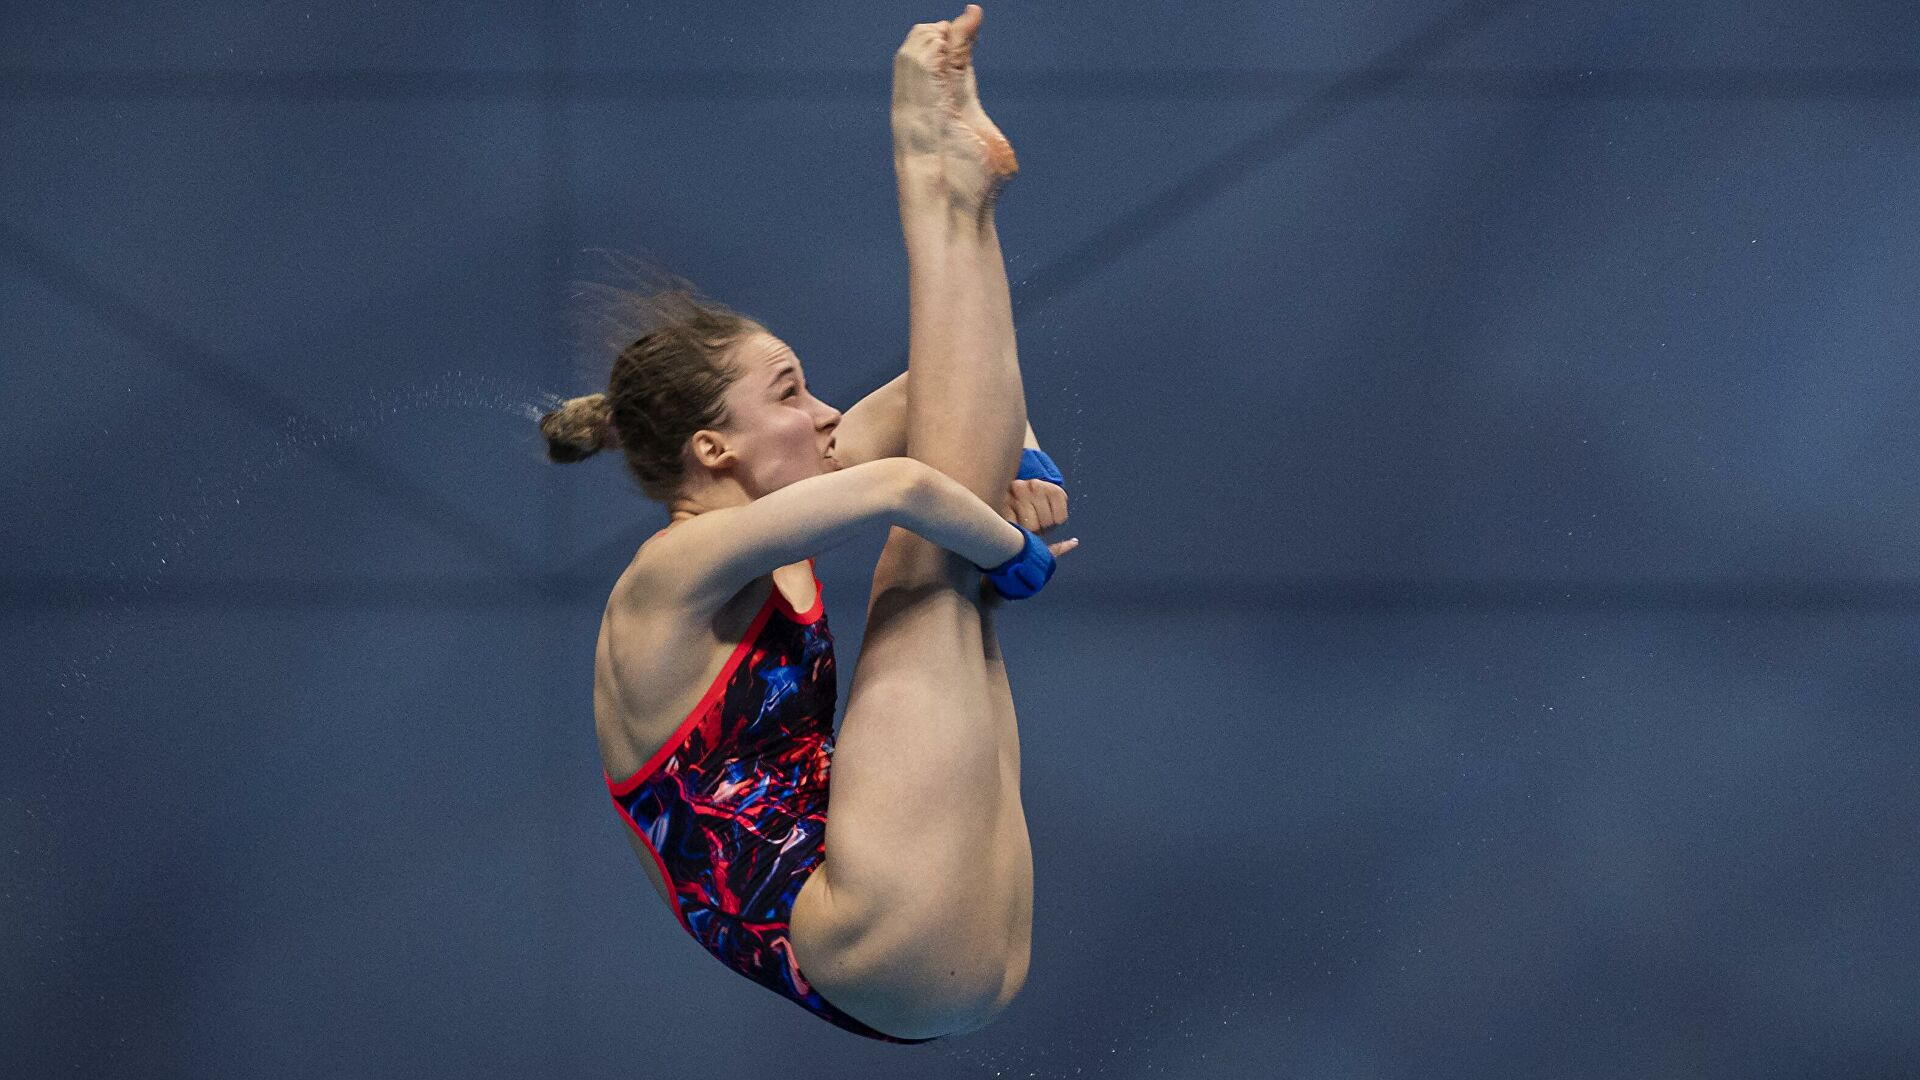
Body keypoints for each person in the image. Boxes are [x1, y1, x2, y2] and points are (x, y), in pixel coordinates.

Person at [539, 6, 1072, 1043]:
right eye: (789, 395)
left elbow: (936, 388)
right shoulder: (669, 575)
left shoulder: (775, 504)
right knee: (927, 571)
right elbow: (900, 491)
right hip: (870, 933)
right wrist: (1012, 551)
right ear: (713, 450)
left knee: (947, 538)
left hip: (917, 949)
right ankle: (934, 183)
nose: (827, 414)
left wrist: (1027, 473)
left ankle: (954, 192)